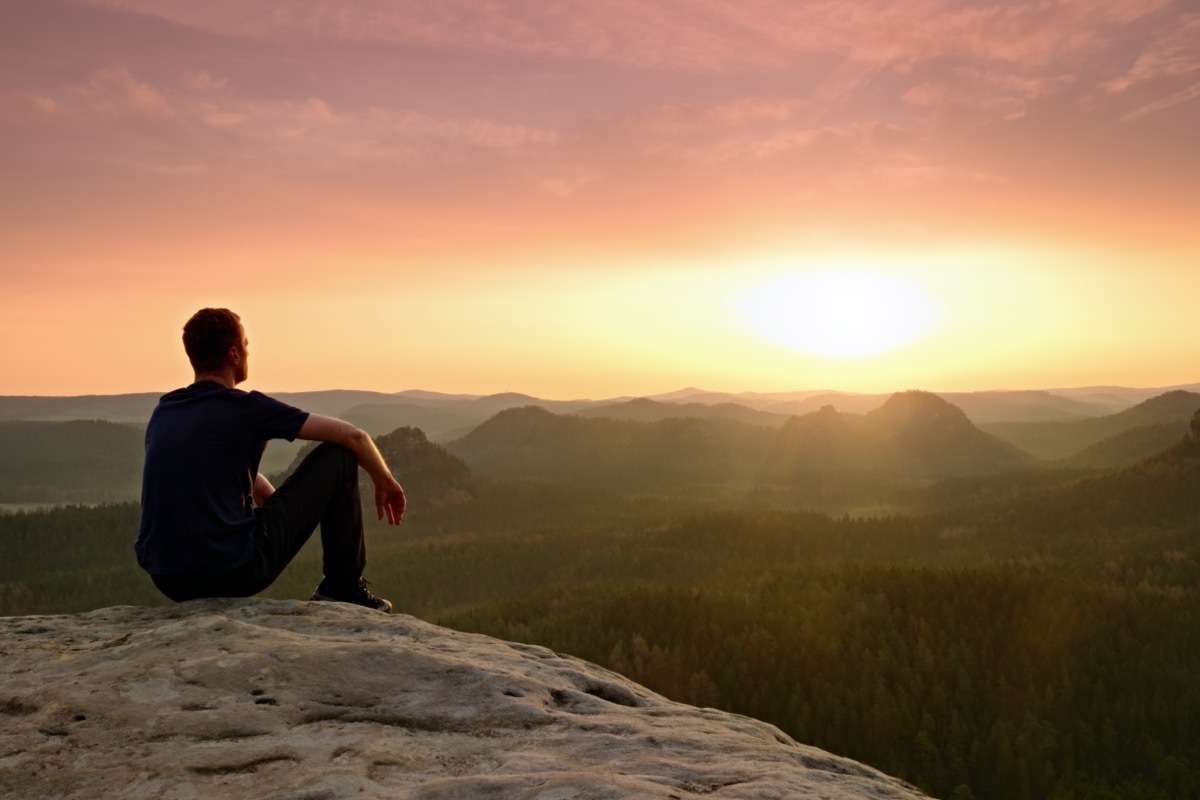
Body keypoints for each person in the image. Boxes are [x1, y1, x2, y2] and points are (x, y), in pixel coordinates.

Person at [135, 307, 406, 612]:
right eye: (247, 345)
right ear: (234, 355)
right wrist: (385, 480)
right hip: (233, 571)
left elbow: (201, 469)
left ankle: (340, 584)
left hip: (167, 577)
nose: (249, 352)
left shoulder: (166, 410)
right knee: (340, 455)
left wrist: (274, 501)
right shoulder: (247, 407)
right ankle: (343, 587)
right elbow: (353, 437)